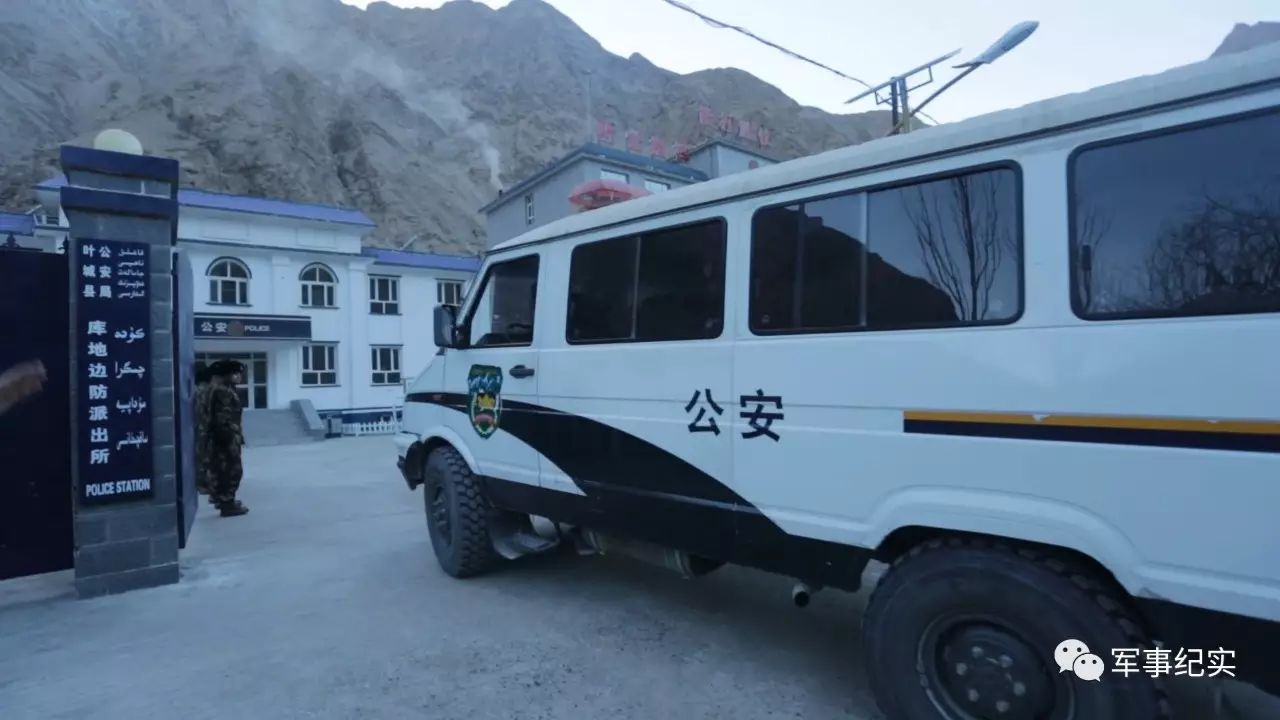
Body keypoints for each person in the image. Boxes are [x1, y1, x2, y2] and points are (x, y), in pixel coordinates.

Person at [206, 359, 248, 517]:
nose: (239, 377)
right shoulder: (224, 392)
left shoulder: (225, 389)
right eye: (236, 374)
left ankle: (224, 499)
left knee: (224, 469)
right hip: (227, 437)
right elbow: (222, 418)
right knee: (232, 470)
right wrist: (228, 438)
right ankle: (227, 503)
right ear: (228, 375)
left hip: (227, 436)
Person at [193, 365, 213, 496]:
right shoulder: (208, 390)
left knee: (200, 456)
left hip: (197, 427)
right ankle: (203, 484)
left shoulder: (194, 390)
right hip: (206, 428)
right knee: (205, 457)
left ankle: (201, 483)